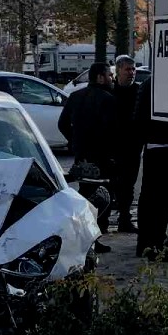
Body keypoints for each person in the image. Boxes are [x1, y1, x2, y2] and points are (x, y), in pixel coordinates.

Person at [58, 62, 118, 253]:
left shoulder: (75, 96)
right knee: (102, 198)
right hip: (102, 158)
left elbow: (62, 123)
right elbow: (113, 131)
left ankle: (85, 238)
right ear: (100, 77)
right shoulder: (108, 99)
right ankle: (94, 238)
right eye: (109, 75)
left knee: (85, 196)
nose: (112, 79)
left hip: (82, 156)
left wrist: (74, 141)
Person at [132, 73, 168, 258]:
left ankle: (146, 242)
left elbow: (138, 118)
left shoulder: (148, 83)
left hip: (153, 147)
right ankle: (156, 241)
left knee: (149, 196)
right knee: (162, 198)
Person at [110, 55, 141, 233]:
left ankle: (124, 218)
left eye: (133, 69)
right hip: (113, 146)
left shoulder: (138, 91)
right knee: (113, 183)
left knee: (129, 184)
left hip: (133, 146)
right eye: (127, 69)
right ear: (118, 71)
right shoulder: (110, 91)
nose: (131, 73)